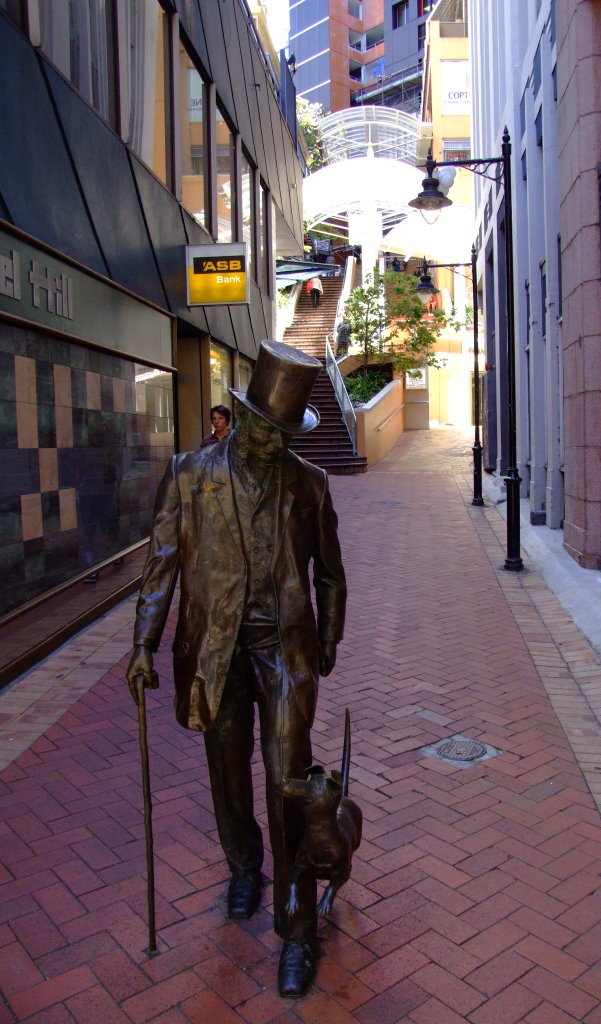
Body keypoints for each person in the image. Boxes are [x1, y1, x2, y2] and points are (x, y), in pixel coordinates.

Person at [126, 340, 347, 998]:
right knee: (227, 773)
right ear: (243, 420)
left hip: (284, 649)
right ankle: (244, 866)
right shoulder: (191, 475)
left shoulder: (310, 484)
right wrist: (143, 642)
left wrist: (327, 641)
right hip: (215, 649)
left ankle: (298, 927)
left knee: (289, 783)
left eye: (285, 436)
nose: (275, 446)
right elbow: (161, 564)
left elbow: (331, 575)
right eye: (266, 433)